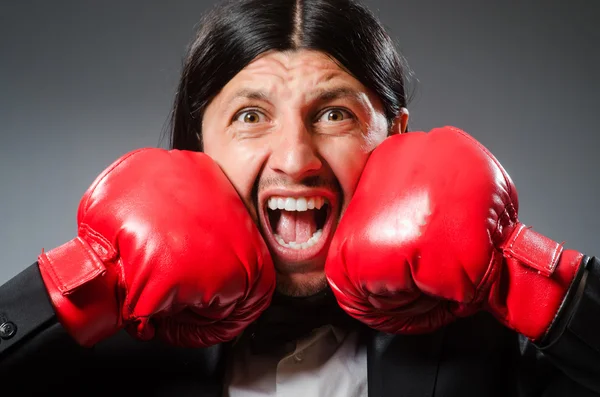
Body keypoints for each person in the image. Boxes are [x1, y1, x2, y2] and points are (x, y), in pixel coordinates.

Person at [0, 0, 598, 396]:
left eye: (334, 114)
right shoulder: (104, 350)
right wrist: (74, 286)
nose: (295, 158)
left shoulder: (488, 342)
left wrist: (527, 276)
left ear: (397, 137)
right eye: (251, 115)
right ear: (196, 144)